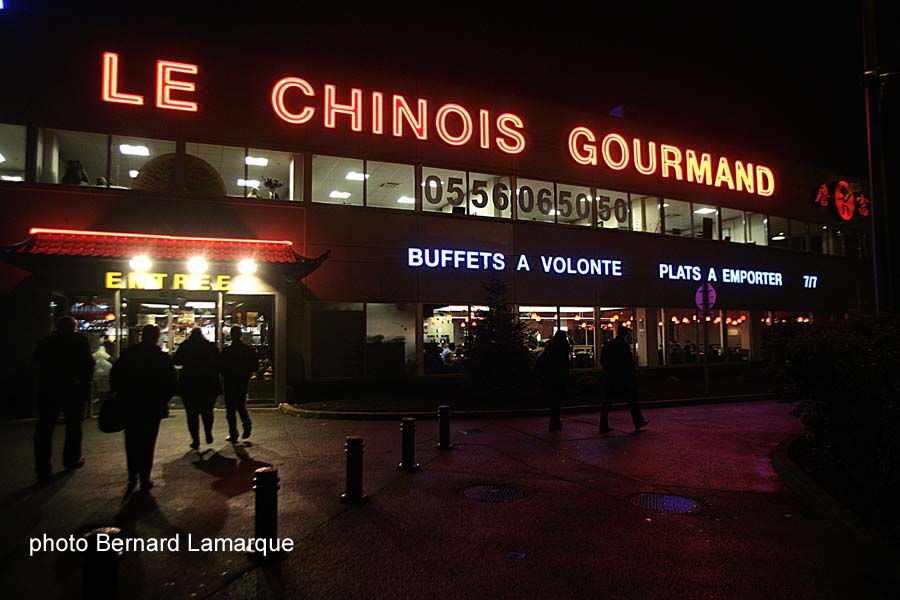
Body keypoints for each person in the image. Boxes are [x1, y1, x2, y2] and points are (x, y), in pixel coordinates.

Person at [111, 324, 176, 492]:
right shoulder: (161, 358)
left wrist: (121, 394)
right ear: (156, 337)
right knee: (148, 441)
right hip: (152, 406)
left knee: (131, 439)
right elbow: (171, 383)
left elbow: (116, 376)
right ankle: (144, 476)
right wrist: (163, 399)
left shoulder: (129, 355)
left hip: (130, 403)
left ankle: (132, 473)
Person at [33, 316, 94, 481]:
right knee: (73, 426)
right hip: (72, 389)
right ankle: (71, 460)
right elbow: (88, 365)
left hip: (49, 389)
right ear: (73, 327)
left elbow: (36, 363)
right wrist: (84, 383)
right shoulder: (79, 342)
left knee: (44, 429)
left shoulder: (46, 342)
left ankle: (42, 467)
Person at [174, 328, 222, 449]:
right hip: (208, 383)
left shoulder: (186, 346)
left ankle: (195, 440)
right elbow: (219, 362)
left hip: (190, 384)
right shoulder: (210, 346)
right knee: (207, 411)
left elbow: (177, 361)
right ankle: (208, 432)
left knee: (192, 414)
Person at [599, 325, 649, 432]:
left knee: (607, 402)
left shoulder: (608, 345)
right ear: (625, 334)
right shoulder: (624, 346)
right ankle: (638, 421)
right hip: (623, 378)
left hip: (610, 377)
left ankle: (603, 424)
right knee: (631, 400)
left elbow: (602, 360)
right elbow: (629, 363)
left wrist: (608, 370)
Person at [221, 326, 259, 443]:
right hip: (242, 381)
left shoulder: (227, 351)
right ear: (241, 335)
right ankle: (246, 424)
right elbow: (255, 366)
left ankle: (233, 433)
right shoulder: (248, 350)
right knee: (240, 405)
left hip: (229, 381)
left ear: (231, 336)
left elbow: (221, 367)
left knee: (230, 409)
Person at [534, 330, 570, 431]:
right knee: (558, 399)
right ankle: (556, 420)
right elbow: (565, 364)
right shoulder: (564, 348)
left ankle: (553, 421)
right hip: (560, 377)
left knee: (553, 399)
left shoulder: (550, 347)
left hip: (550, 376)